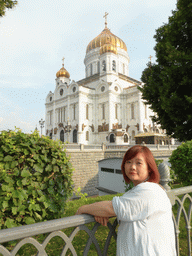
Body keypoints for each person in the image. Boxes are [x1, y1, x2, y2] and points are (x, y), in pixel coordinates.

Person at [76, 145, 176, 255]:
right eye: (128, 162)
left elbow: (112, 208)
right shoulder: (148, 190)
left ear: (149, 168)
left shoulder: (148, 191)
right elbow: (118, 208)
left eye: (139, 163)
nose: (132, 167)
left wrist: (83, 208)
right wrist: (100, 211)